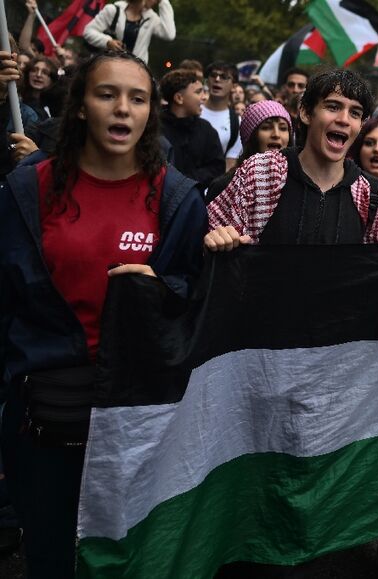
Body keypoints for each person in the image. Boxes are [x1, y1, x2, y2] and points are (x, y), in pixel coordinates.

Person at [0, 50, 207, 579]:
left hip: (137, 418)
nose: (122, 109)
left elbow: (195, 299)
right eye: (106, 94)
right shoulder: (29, 189)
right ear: (79, 108)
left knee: (133, 557)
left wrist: (163, 286)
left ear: (150, 113)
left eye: (136, 98)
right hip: (44, 416)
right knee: (51, 556)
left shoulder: (178, 198)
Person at [205, 68, 378, 252]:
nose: (343, 119)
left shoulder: (367, 195)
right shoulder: (261, 172)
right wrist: (218, 238)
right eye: (333, 107)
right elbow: (212, 241)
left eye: (355, 113)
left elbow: (374, 273)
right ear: (305, 113)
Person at [205, 99, 292, 203]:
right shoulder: (225, 187)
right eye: (266, 127)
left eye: (283, 128)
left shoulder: (297, 186)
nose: (276, 134)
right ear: (251, 137)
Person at [158, 69, 224, 191]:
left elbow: (217, 167)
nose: (204, 97)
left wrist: (187, 183)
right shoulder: (155, 130)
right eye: (198, 92)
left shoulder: (206, 129)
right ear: (179, 98)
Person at [83, 0, 176, 64]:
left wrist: (164, 2)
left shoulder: (151, 18)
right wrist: (107, 42)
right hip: (109, 66)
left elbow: (169, 34)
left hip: (137, 71)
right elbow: (88, 31)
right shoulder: (113, 10)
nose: (156, 1)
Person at [200, 61, 242, 170]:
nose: (217, 79)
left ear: (234, 86)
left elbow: (230, 163)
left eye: (224, 77)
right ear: (207, 81)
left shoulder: (237, 122)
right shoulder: (192, 111)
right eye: (213, 75)